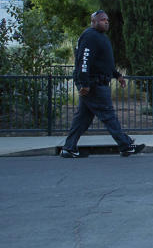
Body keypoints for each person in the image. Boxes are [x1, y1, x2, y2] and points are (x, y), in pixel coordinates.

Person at [60, 10, 143, 158]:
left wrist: (117, 75)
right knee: (108, 116)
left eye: (107, 20)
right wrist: (84, 83)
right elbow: (84, 61)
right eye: (102, 20)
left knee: (82, 119)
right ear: (93, 21)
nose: (106, 22)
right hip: (94, 84)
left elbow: (105, 62)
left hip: (96, 82)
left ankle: (69, 148)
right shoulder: (90, 36)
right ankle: (126, 145)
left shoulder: (100, 37)